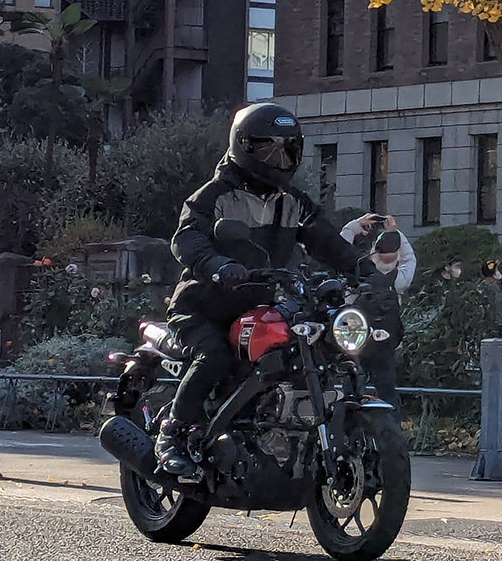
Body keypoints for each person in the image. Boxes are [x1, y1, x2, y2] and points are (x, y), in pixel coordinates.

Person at [155, 102, 367, 478]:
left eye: (288, 149)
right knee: (213, 358)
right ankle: (171, 434)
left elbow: (327, 241)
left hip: (259, 307)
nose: (279, 158)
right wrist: (219, 266)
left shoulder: (294, 203)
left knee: (306, 357)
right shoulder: (214, 195)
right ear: (243, 146)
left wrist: (361, 269)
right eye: (267, 148)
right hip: (204, 307)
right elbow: (187, 239)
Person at [341, 215, 414, 409]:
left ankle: (350, 431)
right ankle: (390, 433)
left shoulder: (358, 272)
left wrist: (354, 226)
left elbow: (341, 249)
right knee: (387, 392)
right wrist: (395, 232)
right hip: (384, 344)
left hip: (355, 341)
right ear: (397, 252)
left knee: (352, 391)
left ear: (374, 247)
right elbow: (409, 258)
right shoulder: (399, 278)